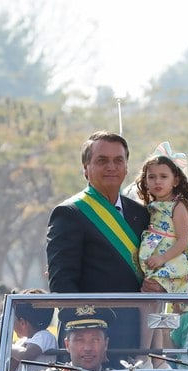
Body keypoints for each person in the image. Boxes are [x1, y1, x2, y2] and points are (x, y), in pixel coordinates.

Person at [46, 131, 149, 350]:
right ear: (86, 168)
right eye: (102, 161)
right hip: (89, 340)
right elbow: (62, 283)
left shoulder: (141, 214)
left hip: (137, 337)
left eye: (118, 161)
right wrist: (87, 334)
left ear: (126, 167)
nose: (111, 167)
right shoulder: (69, 213)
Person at [134, 152, 188, 294]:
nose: (157, 181)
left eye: (163, 176)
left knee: (156, 293)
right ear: (145, 182)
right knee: (147, 293)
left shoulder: (177, 206)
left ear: (175, 181)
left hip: (172, 260)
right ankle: (148, 318)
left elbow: (184, 239)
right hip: (154, 261)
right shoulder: (151, 206)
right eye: (152, 177)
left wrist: (163, 258)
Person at [28, 306, 113, 371]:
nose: (88, 348)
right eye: (80, 340)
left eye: (95, 340)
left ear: (106, 344)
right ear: (67, 345)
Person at [7, 289, 56, 371]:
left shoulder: (44, 336)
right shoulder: (21, 343)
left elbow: (26, 355)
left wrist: (8, 347)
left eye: (13, 319)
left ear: (22, 323)